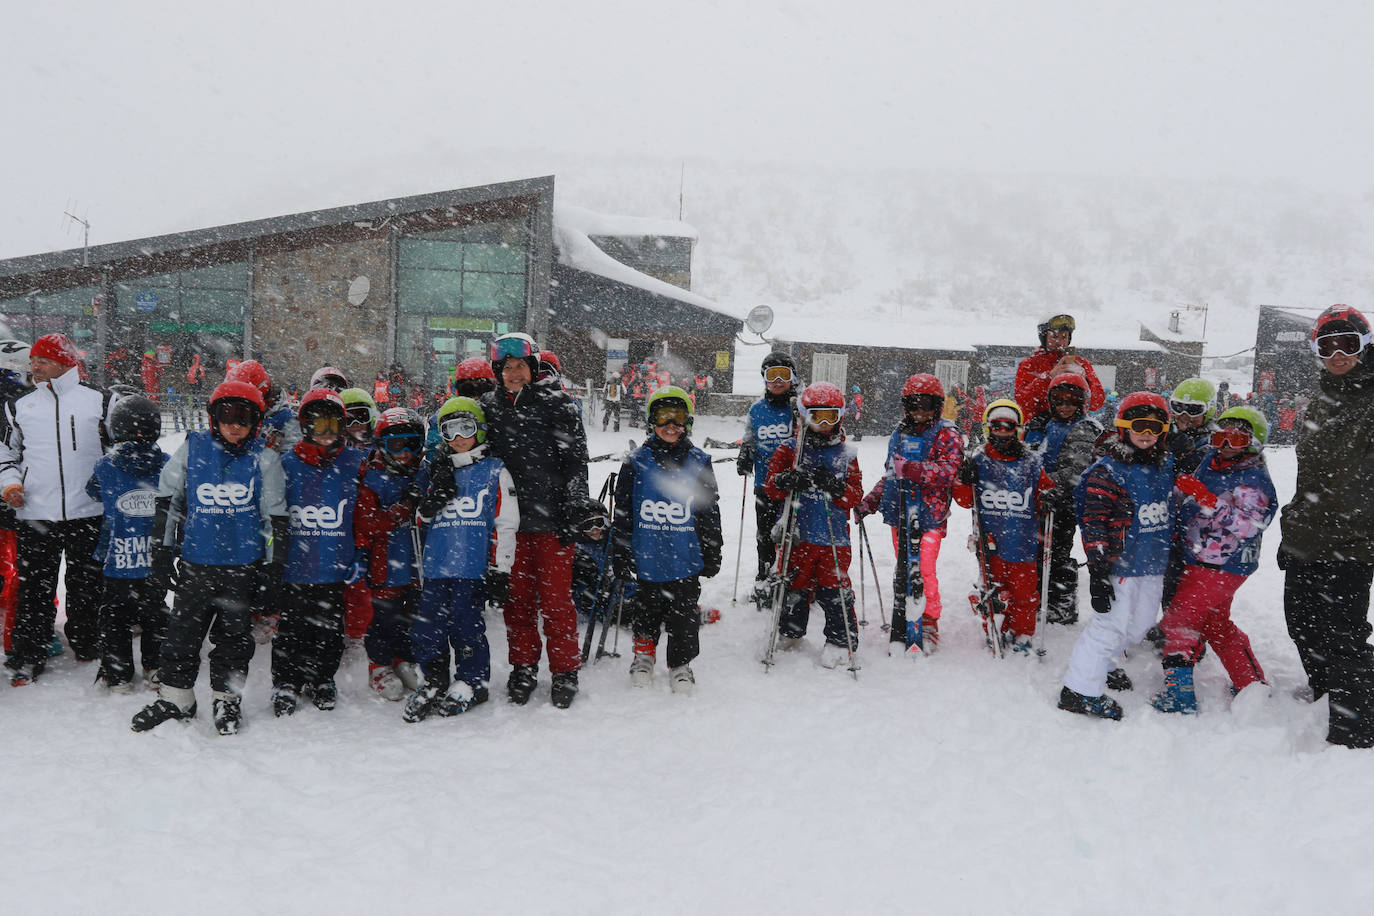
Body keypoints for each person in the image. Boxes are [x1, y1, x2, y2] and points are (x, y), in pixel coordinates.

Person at [131, 379, 287, 735]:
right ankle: (176, 697)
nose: (235, 425)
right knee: (182, 634)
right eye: (227, 415)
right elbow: (168, 504)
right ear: (213, 417)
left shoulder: (264, 459)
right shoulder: (192, 450)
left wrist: (272, 569)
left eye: (244, 418)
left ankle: (226, 699)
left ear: (256, 422)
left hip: (241, 567)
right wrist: (161, 553)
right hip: (196, 564)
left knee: (233, 640)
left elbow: (274, 518)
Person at [1059, 393, 1212, 719]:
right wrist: (1099, 570)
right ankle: (1079, 690)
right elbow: (1094, 522)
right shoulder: (1108, 472)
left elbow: (1191, 471)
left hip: (1152, 563)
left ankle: (1107, 664)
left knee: (1140, 626)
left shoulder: (1163, 464)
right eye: (1139, 426)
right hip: (1120, 565)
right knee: (1109, 627)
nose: (1147, 433)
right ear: (1123, 427)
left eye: (1155, 427)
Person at [1278, 305, 1374, 748]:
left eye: (1348, 343)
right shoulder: (1321, 400)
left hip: (1354, 540)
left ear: (1365, 345)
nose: (1338, 353)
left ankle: (1355, 730)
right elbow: (1310, 478)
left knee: (1345, 635)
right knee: (1302, 623)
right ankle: (1327, 691)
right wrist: (1292, 529)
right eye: (1328, 344)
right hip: (1310, 536)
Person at [480, 332, 589, 709]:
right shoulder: (489, 406)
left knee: (557, 603)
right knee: (518, 603)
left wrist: (574, 502)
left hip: (553, 522)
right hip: (509, 525)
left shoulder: (558, 404)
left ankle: (564, 671)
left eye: (520, 366)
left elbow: (576, 460)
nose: (514, 373)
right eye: (507, 367)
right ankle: (523, 667)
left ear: (533, 368)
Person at [0, 333, 116, 685]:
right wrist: (10, 485)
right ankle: (28, 654)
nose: (35, 366)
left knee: (86, 584)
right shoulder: (20, 405)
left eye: (44, 361)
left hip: (88, 512)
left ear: (66, 365)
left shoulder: (100, 401)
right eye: (33, 360)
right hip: (36, 512)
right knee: (34, 587)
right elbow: (6, 454)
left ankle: (86, 640)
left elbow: (119, 449)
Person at [1152, 406, 1276, 714]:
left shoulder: (1253, 479)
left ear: (1253, 443)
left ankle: (1179, 693)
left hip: (1224, 564)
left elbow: (1248, 525)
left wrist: (1208, 499)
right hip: (1199, 558)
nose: (1224, 446)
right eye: (1219, 437)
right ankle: (1250, 682)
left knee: (1181, 619)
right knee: (1217, 625)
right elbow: (1191, 491)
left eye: (1235, 440)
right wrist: (1181, 492)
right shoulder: (1211, 461)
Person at [404, 397, 518, 721]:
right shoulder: (434, 470)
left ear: (479, 429)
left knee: (466, 628)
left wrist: (501, 569)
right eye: (449, 431)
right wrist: (428, 503)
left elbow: (506, 523)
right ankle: (434, 679)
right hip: (437, 567)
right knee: (428, 629)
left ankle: (472, 681)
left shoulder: (494, 470)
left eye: (465, 428)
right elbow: (418, 518)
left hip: (472, 568)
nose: (458, 439)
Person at [612, 386, 722, 693]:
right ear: (650, 421)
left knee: (684, 616)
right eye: (663, 416)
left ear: (689, 421)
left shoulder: (699, 461)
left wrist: (713, 549)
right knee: (646, 610)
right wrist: (620, 551)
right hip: (647, 556)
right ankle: (643, 656)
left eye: (678, 417)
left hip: (685, 557)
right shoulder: (635, 462)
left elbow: (708, 510)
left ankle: (681, 663)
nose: (671, 425)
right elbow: (623, 511)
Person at [270, 388, 367, 717]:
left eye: (333, 426)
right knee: (292, 627)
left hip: (334, 563)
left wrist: (361, 553)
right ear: (305, 426)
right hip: (297, 564)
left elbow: (362, 513)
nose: (327, 434)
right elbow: (271, 511)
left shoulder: (354, 463)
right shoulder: (287, 464)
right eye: (319, 425)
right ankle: (287, 681)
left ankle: (322, 677)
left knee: (328, 627)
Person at [855, 373, 963, 653]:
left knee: (923, 568)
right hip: (900, 510)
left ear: (938, 405)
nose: (920, 411)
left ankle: (929, 618)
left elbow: (949, 471)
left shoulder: (946, 433)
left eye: (927, 405)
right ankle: (905, 611)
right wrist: (872, 500)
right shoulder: (899, 432)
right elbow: (892, 473)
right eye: (914, 405)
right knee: (904, 566)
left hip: (929, 513)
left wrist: (915, 470)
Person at [764, 383, 864, 668]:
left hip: (833, 537)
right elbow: (771, 487)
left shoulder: (847, 454)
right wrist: (786, 480)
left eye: (829, 417)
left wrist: (834, 486)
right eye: (815, 417)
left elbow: (854, 495)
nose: (822, 424)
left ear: (840, 417)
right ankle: (791, 631)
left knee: (835, 590)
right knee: (795, 584)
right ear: (804, 416)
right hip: (798, 535)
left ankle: (840, 640)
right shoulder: (790, 450)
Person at [954, 400, 1055, 653]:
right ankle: (994, 628)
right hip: (991, 541)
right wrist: (964, 480)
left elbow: (1044, 491)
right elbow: (965, 501)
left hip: (1022, 540)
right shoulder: (979, 459)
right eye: (995, 426)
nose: (1001, 431)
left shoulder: (1030, 462)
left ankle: (1022, 633)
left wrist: (1050, 497)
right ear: (988, 428)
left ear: (1017, 428)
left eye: (1007, 426)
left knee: (1024, 594)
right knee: (994, 591)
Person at [86, 395, 172, 693]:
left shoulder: (105, 466)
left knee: (115, 617)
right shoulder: (166, 465)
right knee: (155, 614)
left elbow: (93, 492)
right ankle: (155, 665)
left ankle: (118, 673)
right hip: (154, 560)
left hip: (116, 558)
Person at [354, 407, 429, 701]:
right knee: (385, 618)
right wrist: (399, 510)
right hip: (385, 563)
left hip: (416, 561)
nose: (405, 454)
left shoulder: (423, 473)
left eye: (413, 444)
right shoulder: (373, 478)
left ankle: (404, 658)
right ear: (381, 446)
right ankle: (379, 665)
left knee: (412, 615)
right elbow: (366, 522)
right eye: (397, 446)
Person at [1023, 373, 1104, 625]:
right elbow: (1026, 459)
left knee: (1057, 552)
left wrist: (1045, 486)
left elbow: (1076, 471)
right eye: (1059, 400)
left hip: (1064, 504)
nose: (1065, 406)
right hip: (1036, 501)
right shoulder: (1044, 425)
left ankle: (1061, 601)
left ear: (1082, 403)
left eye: (1072, 401)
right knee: (1033, 551)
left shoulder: (1085, 428)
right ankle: (1034, 595)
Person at [736, 351, 800, 603]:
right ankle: (764, 574)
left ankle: (793, 577)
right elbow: (750, 437)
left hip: (792, 485)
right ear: (764, 379)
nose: (777, 381)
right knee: (764, 533)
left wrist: (799, 410)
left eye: (783, 375)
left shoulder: (797, 408)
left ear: (793, 378)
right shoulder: (757, 410)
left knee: (790, 533)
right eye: (771, 375)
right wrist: (745, 454)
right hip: (764, 483)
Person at [0, 339, 32, 658]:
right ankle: (17, 635)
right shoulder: (23, 402)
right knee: (23, 573)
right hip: (14, 496)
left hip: (9, 491)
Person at [1014, 313, 1106, 422]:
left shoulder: (1082, 364)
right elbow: (1023, 402)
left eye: (1064, 337)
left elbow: (1097, 403)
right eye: (1054, 337)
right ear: (1043, 337)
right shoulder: (1029, 365)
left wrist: (1084, 381)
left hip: (1074, 429)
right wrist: (1049, 378)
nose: (1060, 342)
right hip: (1039, 429)